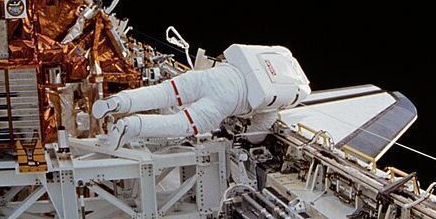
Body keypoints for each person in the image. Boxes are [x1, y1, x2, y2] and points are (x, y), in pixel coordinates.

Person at [92, 44, 310, 149]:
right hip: (223, 103)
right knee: (180, 123)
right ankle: (131, 126)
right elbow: (256, 134)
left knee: (163, 92)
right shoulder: (273, 104)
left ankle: (119, 102)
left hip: (210, 76)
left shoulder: (270, 54)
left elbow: (225, 55)